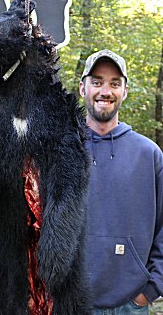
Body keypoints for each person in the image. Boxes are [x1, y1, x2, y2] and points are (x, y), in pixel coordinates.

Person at [79, 49, 163, 315]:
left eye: (115, 83)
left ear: (125, 91)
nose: (106, 90)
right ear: (83, 88)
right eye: (97, 82)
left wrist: (150, 289)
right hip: (69, 301)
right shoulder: (60, 151)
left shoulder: (149, 155)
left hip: (130, 304)